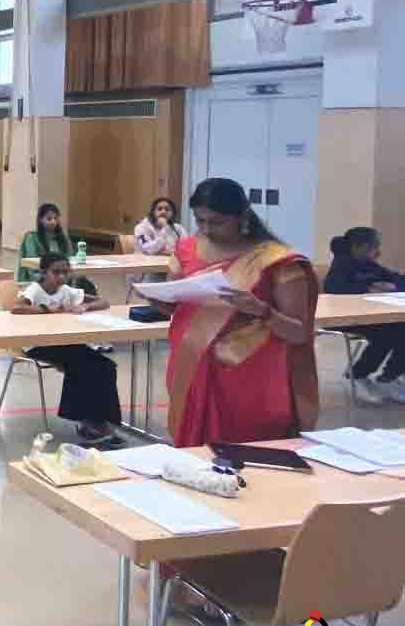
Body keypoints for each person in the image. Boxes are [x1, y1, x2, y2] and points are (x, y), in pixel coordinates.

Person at [153, 177, 318, 448]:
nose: (207, 229)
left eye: (217, 222)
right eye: (200, 220)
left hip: (248, 374)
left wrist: (261, 310)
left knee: (249, 453)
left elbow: (299, 332)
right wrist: (158, 300)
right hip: (191, 364)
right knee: (194, 455)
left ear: (242, 217)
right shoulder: (186, 249)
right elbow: (177, 302)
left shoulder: (276, 261)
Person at [13, 254, 125, 446]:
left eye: (65, 272)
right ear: (44, 272)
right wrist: (48, 310)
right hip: (38, 344)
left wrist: (86, 306)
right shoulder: (35, 289)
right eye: (56, 272)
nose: (61, 277)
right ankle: (87, 421)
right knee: (82, 365)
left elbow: (103, 302)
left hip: (64, 341)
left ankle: (106, 421)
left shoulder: (66, 290)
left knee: (106, 366)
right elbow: (17, 308)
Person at [324, 227, 405, 404]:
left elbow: (397, 278)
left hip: (370, 315)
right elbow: (334, 289)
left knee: (399, 327)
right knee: (390, 332)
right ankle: (359, 375)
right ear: (358, 247)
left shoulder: (369, 264)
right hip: (343, 317)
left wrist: (393, 287)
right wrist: (368, 288)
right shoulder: (342, 264)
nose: (378, 251)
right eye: (374, 247)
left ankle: (389, 377)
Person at [17, 202, 77, 283]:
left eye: (55, 218)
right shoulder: (32, 237)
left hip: (61, 278)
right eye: (49, 219)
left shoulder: (63, 237)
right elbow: (31, 266)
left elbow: (70, 259)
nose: (53, 222)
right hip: (38, 280)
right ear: (40, 220)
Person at [132, 197, 187, 285]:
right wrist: (164, 229)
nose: (163, 212)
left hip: (172, 269)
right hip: (147, 272)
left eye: (167, 209)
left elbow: (187, 249)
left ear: (173, 213)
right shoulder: (141, 228)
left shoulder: (178, 228)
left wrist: (166, 252)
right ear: (153, 212)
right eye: (159, 209)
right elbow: (150, 250)